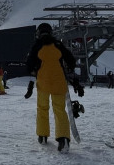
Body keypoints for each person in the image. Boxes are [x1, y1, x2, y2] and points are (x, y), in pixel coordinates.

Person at [25, 23, 77, 152]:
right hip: (59, 82)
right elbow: (71, 60)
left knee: (42, 108)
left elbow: (29, 65)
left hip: (43, 83)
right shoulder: (58, 45)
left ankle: (42, 135)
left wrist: (34, 69)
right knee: (59, 110)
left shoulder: (37, 46)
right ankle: (63, 139)